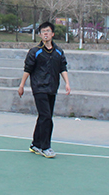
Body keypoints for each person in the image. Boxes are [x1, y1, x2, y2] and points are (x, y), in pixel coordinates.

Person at [17, 21, 71, 158]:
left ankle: (35, 144)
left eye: (48, 31)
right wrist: (21, 85)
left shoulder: (58, 51)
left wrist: (67, 83)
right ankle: (46, 147)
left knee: (45, 116)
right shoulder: (35, 52)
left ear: (52, 34)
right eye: (43, 32)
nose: (45, 33)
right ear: (40, 35)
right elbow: (27, 69)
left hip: (52, 87)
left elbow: (63, 68)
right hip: (39, 87)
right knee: (46, 116)